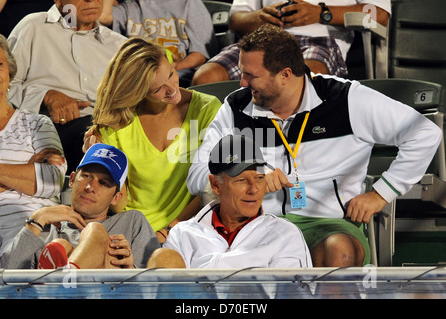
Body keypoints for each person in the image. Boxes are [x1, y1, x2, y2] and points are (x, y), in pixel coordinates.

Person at [186, 25, 443, 267]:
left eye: (251, 75)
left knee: (340, 251)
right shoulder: (235, 106)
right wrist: (251, 177)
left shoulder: (345, 98)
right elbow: (196, 175)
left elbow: (425, 133)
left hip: (326, 224)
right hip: (256, 225)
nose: (242, 82)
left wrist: (381, 193)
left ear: (285, 74)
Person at [83, 37, 222, 243]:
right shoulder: (116, 123)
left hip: (190, 228)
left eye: (171, 74)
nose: (172, 89)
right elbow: (119, 205)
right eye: (158, 89)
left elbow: (213, 186)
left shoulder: (208, 109)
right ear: (137, 92)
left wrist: (168, 232)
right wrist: (102, 164)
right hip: (129, 230)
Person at [148, 135, 312, 269]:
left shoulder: (284, 234)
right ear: (215, 185)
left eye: (260, 178)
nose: (253, 189)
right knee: (163, 257)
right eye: (241, 180)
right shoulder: (182, 235)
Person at [6, 0, 127, 174]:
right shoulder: (34, 27)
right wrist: (45, 96)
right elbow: (4, 87)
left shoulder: (118, 46)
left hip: (104, 129)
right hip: (45, 128)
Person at [0, 143, 161, 269]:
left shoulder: (132, 222)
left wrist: (130, 269)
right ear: (71, 180)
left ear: (116, 198)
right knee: (61, 245)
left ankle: (67, 282)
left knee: (95, 231)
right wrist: (37, 218)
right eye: (85, 176)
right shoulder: (46, 225)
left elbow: (156, 284)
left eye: (103, 183)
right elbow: (6, 277)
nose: (90, 187)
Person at [191, 0, 390, 85]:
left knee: (303, 79)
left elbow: (379, 14)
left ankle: (293, 157)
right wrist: (259, 17)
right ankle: (214, 158)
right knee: (205, 79)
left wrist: (321, 13)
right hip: (262, 40)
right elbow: (235, 18)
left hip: (318, 41)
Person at [0, 33, 66, 266]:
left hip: (42, 228)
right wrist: (27, 170)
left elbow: (52, 180)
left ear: (9, 73)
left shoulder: (37, 124)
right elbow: (39, 179)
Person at [99, 0, 217, 88]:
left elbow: (200, 55)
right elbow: (103, 17)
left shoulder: (190, 4)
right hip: (138, 74)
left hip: (178, 72)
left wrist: (173, 67)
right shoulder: (130, 7)